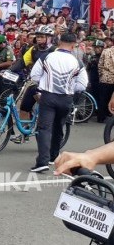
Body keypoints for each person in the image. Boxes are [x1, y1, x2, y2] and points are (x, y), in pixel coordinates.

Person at [30, 32, 88, 172]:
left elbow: (35, 76)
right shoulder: (77, 62)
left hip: (48, 96)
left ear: (59, 42)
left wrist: (46, 83)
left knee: (44, 128)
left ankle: (42, 162)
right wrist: (68, 86)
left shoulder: (47, 56)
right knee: (58, 128)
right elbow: (82, 85)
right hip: (66, 98)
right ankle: (53, 157)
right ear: (73, 45)